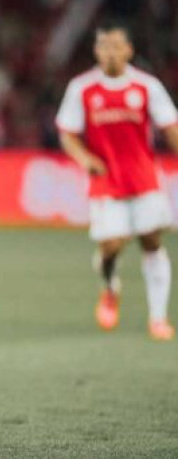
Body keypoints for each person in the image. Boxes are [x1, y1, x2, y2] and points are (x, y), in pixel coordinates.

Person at [56, 20, 178, 341]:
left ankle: (158, 318)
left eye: (116, 46)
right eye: (104, 46)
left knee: (151, 242)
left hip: (144, 178)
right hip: (106, 180)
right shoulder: (82, 88)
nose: (110, 52)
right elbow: (67, 133)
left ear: (129, 50)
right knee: (110, 246)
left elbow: (170, 127)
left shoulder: (147, 86)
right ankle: (110, 287)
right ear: (96, 51)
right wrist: (85, 159)